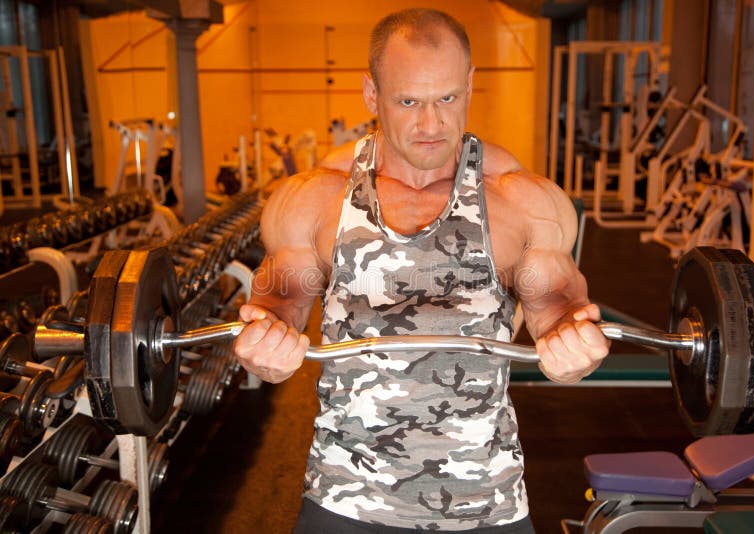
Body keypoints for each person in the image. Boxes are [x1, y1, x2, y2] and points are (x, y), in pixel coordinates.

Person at [234, 8, 610, 533]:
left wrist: (573, 350)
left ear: (470, 84)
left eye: (447, 99)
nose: (431, 124)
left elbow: (558, 314)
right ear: (372, 94)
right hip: (346, 496)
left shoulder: (522, 201)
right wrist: (267, 344)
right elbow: (281, 304)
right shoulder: (315, 198)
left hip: (487, 501)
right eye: (409, 101)